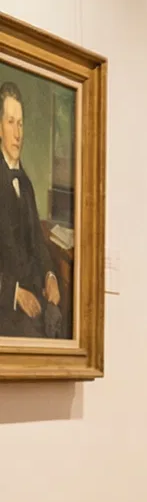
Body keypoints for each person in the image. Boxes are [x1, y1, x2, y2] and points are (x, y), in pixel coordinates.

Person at [1, 83, 62, 339]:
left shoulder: (25, 183)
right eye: (11, 122)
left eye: (21, 124)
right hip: (6, 307)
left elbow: (37, 241)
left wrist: (50, 276)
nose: (18, 133)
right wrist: (15, 294)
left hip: (35, 298)